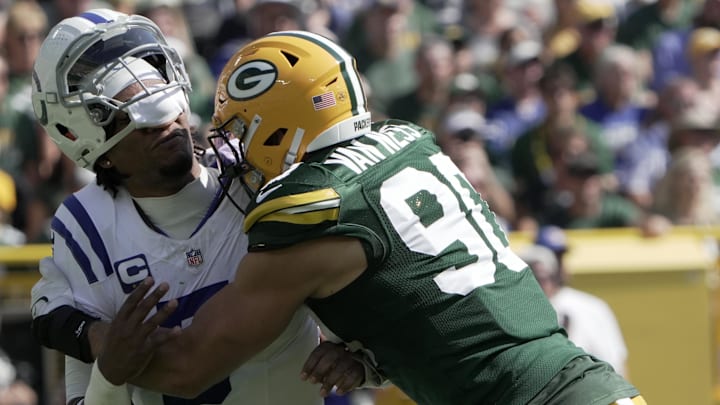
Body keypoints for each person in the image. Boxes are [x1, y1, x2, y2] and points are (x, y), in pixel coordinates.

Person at [94, 30, 646, 405]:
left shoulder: (312, 206)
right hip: (585, 383)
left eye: (240, 128)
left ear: (278, 124)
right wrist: (374, 356)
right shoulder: (409, 142)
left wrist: (89, 341)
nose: (234, 149)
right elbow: (435, 294)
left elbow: (190, 367)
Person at [28, 10, 368, 405]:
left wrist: (365, 360)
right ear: (98, 150)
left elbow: (368, 288)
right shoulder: (87, 225)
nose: (168, 127)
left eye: (168, 113)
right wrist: (107, 370)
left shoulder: (260, 171)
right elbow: (67, 351)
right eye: (142, 125)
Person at [518, 243, 629, 378]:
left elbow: (616, 364)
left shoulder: (591, 307)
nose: (541, 283)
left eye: (543, 276)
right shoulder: (512, 315)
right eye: (534, 276)